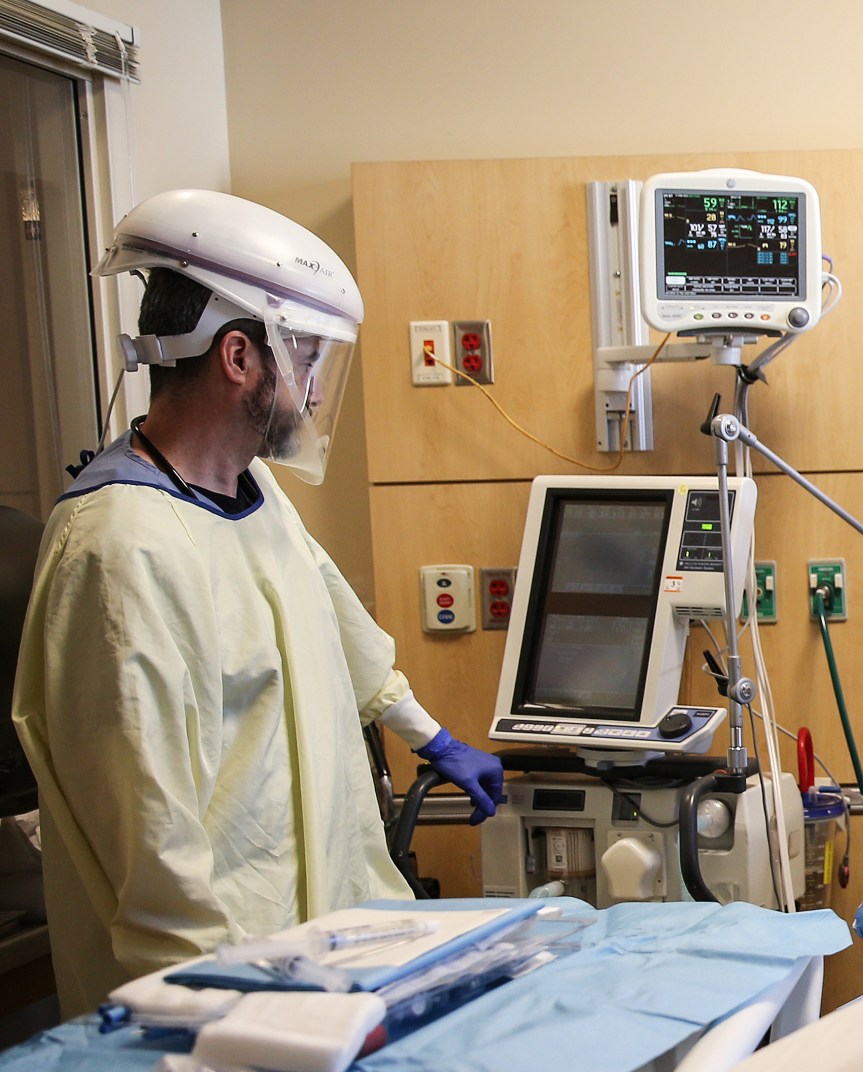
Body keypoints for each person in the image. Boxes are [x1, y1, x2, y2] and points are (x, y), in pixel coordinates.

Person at [16, 188, 507, 1020]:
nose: (315, 393)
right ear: (240, 357)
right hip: (218, 995)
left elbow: (328, 614)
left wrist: (426, 732)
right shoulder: (121, 549)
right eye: (307, 359)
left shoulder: (255, 493)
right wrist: (229, 1021)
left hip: (328, 952)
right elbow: (152, 847)